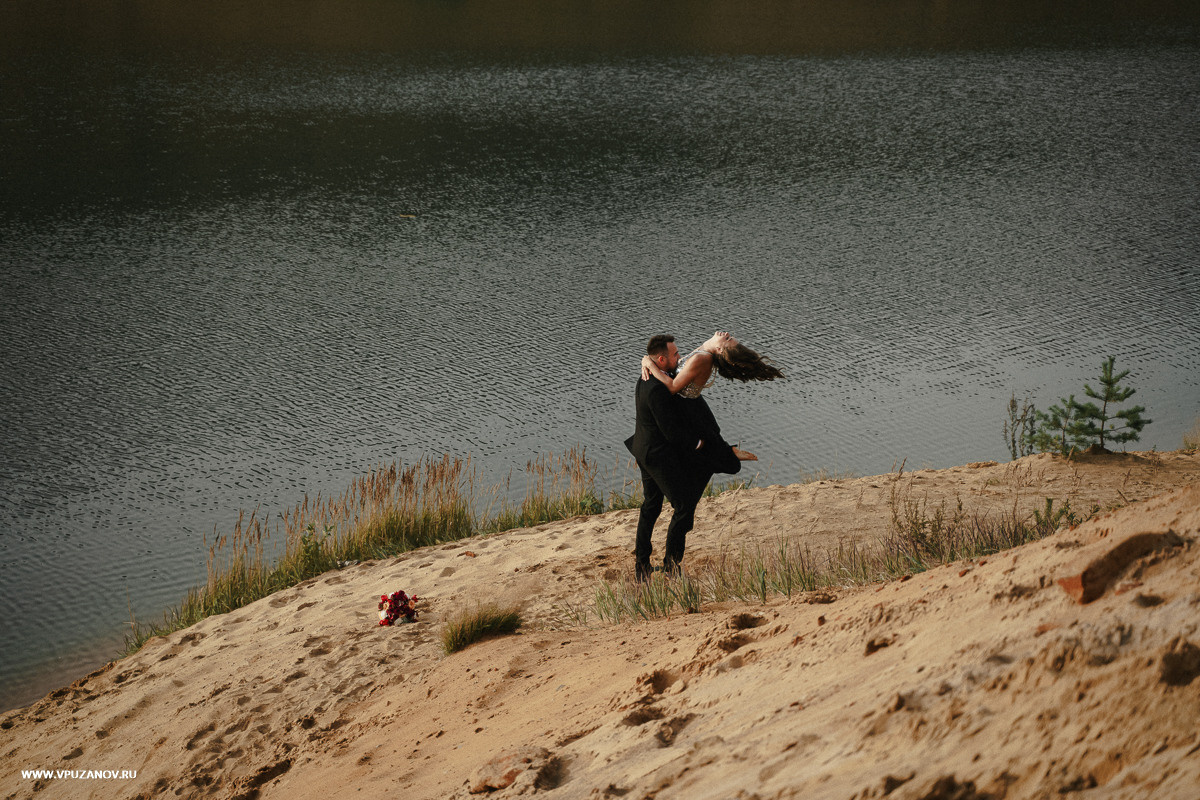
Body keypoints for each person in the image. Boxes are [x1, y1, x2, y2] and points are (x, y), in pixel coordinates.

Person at [624, 335, 711, 581]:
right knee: (683, 505)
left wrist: (647, 361)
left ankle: (641, 567)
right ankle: (671, 566)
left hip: (643, 449)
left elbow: (697, 356)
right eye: (674, 355)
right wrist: (698, 443)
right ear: (661, 359)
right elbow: (670, 431)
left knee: (651, 505)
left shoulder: (647, 377)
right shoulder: (657, 389)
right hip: (656, 456)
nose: (679, 357)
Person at [640, 330, 783, 475]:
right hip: (693, 404)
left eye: (728, 338)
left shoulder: (703, 358)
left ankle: (730, 454)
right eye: (729, 336)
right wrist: (650, 361)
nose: (726, 333)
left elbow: (672, 387)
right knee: (712, 442)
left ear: (720, 349)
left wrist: (650, 364)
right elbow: (678, 365)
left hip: (689, 407)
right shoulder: (705, 349)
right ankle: (730, 450)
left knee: (711, 452)